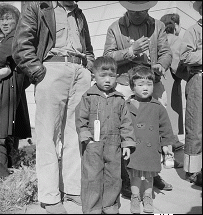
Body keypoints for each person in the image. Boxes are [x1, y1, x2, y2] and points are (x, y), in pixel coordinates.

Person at [12, 1, 95, 213]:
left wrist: (89, 69)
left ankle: (73, 189)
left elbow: (89, 48)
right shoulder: (38, 6)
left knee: (76, 132)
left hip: (80, 72)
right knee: (47, 134)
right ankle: (50, 197)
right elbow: (21, 45)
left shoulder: (79, 13)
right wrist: (39, 72)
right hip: (52, 68)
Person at [103, 1, 173, 197]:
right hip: (126, 84)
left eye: (140, 10)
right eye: (132, 10)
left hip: (151, 83)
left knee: (156, 129)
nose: (136, 14)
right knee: (127, 130)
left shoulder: (157, 26)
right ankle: (126, 177)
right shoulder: (115, 28)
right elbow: (107, 56)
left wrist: (161, 64)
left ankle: (153, 173)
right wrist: (131, 51)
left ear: (148, 8)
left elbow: (166, 52)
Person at [75, 56, 136, 214]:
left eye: (112, 75)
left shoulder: (120, 99)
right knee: (92, 178)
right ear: (94, 75)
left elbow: (126, 123)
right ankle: (92, 208)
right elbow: (80, 119)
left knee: (113, 177)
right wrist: (86, 139)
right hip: (93, 145)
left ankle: (110, 206)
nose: (108, 80)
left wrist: (127, 143)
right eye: (103, 76)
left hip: (114, 145)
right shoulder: (88, 97)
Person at [126, 65, 175, 213]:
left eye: (149, 84)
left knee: (148, 175)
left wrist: (167, 145)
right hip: (135, 148)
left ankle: (147, 196)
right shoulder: (127, 105)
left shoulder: (157, 106)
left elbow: (166, 128)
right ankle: (135, 196)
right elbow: (123, 127)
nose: (145, 88)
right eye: (140, 85)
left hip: (151, 148)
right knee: (134, 175)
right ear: (132, 87)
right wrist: (125, 144)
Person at [0, 3, 31, 178]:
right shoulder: (3, 39)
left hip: (10, 90)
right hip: (8, 90)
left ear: (16, 20)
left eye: (8, 18)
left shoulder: (14, 38)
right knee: (10, 127)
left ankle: (5, 170)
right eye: (1, 19)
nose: (4, 22)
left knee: (6, 129)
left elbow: (1, 56)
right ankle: (9, 167)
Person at [180, 1, 202, 187]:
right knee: (196, 125)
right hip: (199, 79)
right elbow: (185, 56)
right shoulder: (194, 30)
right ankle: (193, 170)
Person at [160, 13, 185, 168]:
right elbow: (177, 65)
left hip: (158, 84)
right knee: (170, 119)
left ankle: (164, 151)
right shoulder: (175, 40)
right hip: (170, 84)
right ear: (175, 26)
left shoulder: (157, 40)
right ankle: (168, 158)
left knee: (161, 119)